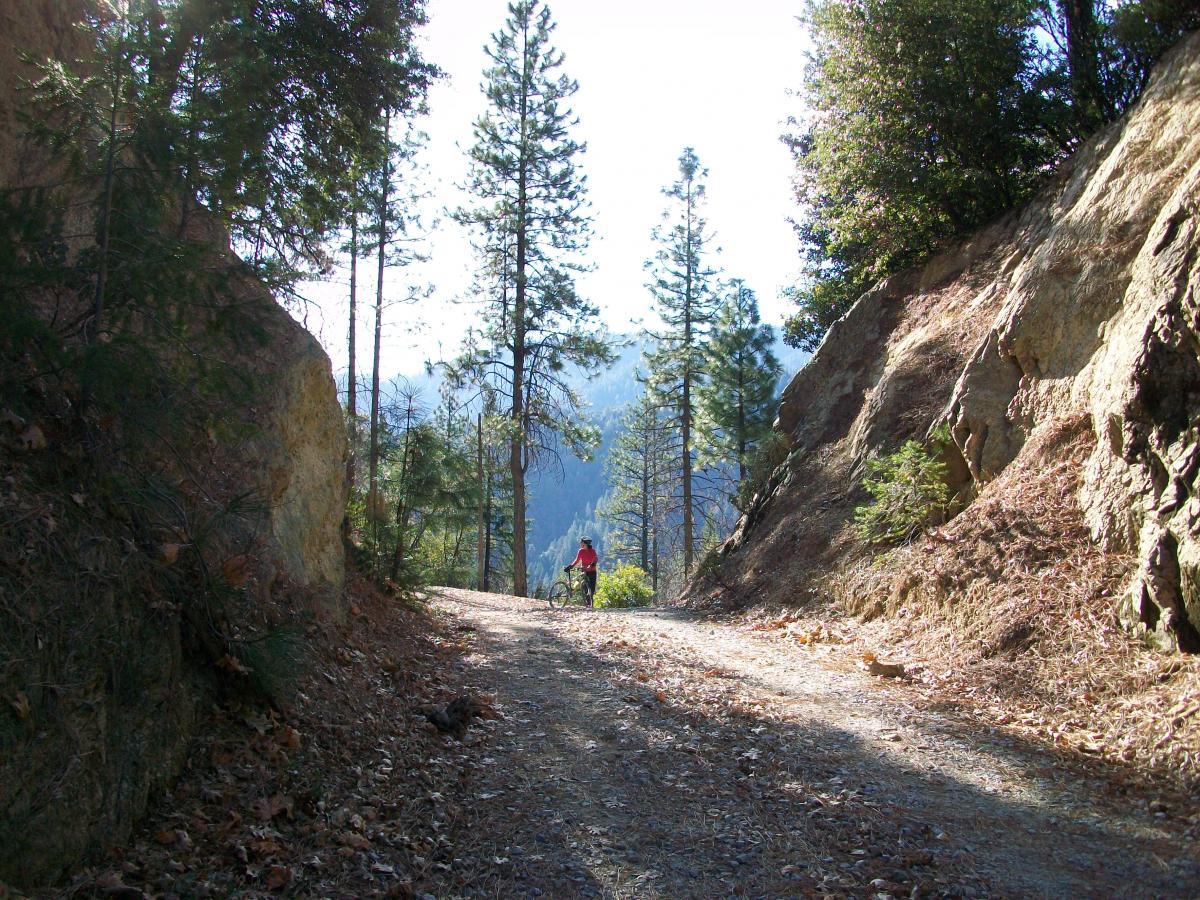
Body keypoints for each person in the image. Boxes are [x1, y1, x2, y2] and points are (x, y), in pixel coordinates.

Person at [564, 537, 598, 606]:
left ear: (585, 544)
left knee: (592, 589)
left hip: (592, 571)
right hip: (585, 570)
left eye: (581, 542)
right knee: (585, 587)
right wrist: (570, 566)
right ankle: (588, 604)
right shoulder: (581, 551)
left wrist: (592, 564)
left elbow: (596, 559)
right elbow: (577, 560)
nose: (580, 543)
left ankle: (590, 602)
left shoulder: (592, 551)